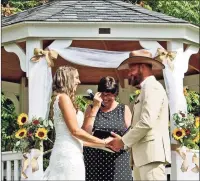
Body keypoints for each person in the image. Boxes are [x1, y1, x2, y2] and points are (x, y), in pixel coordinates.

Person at [108, 50, 171, 181]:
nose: (128, 73)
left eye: (131, 69)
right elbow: (138, 124)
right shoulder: (145, 89)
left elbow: (146, 122)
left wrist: (123, 141)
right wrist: (122, 141)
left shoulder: (152, 87)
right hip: (143, 158)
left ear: (142, 67)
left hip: (151, 157)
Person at [43, 66, 112, 180]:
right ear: (67, 79)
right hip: (67, 156)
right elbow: (75, 131)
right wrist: (103, 142)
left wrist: (95, 107)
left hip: (74, 153)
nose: (79, 81)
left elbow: (81, 137)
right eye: (76, 78)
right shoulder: (63, 98)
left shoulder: (65, 99)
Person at [82, 76, 133, 181]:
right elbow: (85, 134)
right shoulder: (91, 108)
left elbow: (131, 134)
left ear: (115, 94)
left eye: (109, 95)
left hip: (119, 161)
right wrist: (95, 107)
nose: (105, 98)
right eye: (102, 94)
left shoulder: (123, 109)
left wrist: (121, 140)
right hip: (95, 162)